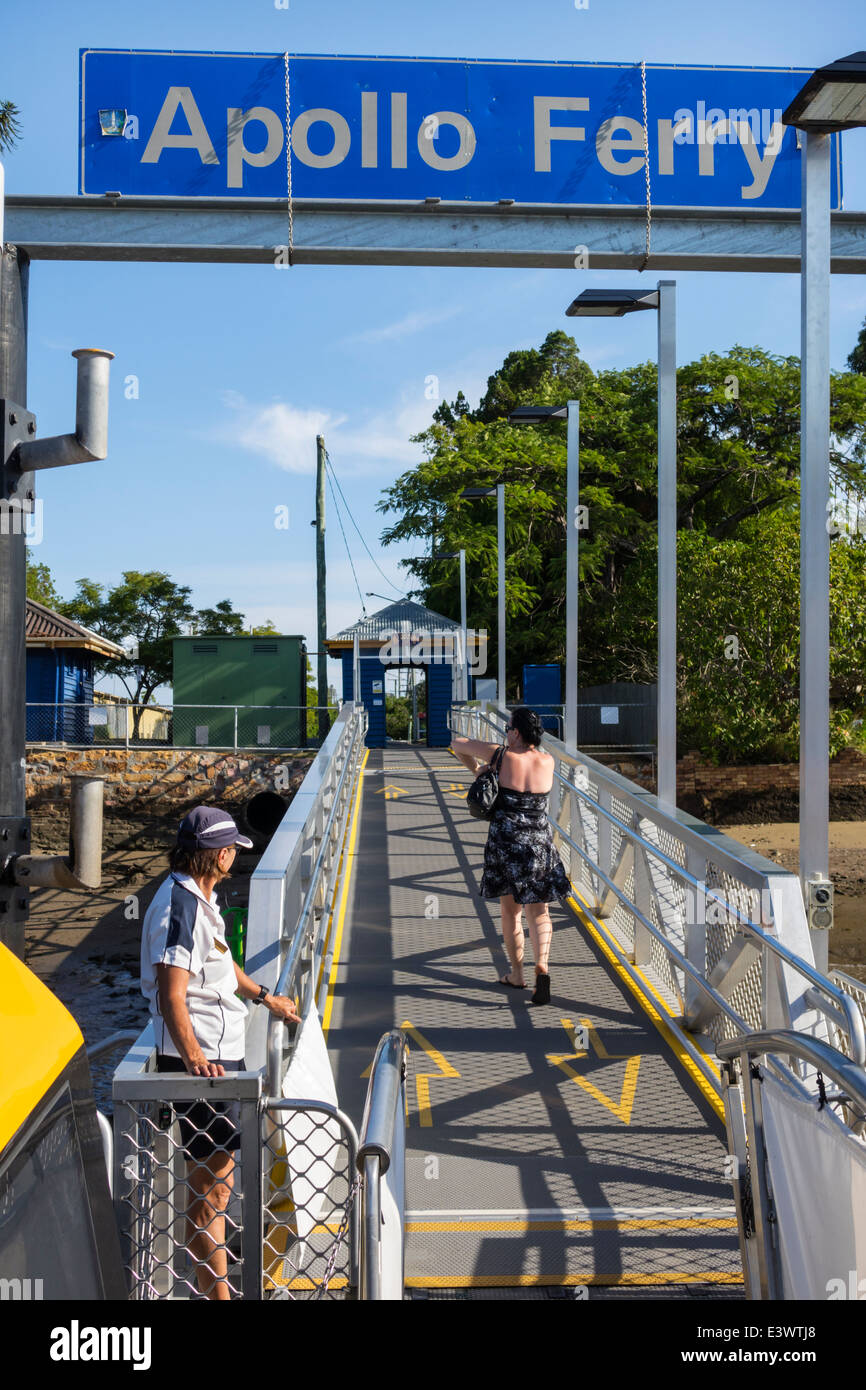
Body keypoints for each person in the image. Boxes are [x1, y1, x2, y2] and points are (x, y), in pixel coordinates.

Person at [140, 805, 300, 1299]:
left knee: (214, 1193)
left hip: (215, 1059)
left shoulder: (200, 897)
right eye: (232, 849)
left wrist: (264, 997)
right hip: (204, 1065)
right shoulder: (181, 907)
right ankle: (221, 1297)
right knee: (212, 1198)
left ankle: (215, 1292)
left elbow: (223, 967)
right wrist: (194, 1062)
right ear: (220, 854)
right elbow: (171, 993)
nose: (235, 856)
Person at [451, 707, 571, 1005]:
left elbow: (457, 743)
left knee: (511, 912)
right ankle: (542, 966)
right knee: (540, 912)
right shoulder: (548, 760)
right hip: (539, 845)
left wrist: (477, 769)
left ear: (516, 732)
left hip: (507, 844)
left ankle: (517, 974)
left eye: (508, 729)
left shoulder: (501, 756)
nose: (506, 733)